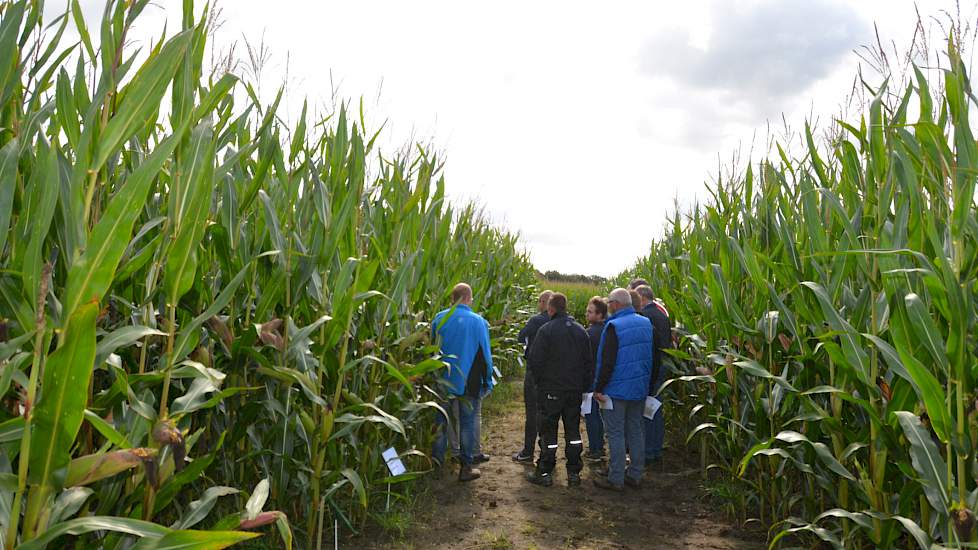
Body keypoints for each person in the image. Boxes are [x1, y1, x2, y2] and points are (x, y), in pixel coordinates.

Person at [525, 293, 593, 487]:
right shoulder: (581, 331)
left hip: (551, 390)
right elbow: (588, 363)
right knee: (573, 432)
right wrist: (583, 386)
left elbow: (535, 361)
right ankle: (573, 473)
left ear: (551, 309)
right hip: (573, 390)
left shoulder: (546, 330)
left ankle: (545, 471)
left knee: (548, 432)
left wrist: (539, 384)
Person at [432, 283, 495, 482]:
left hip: (442, 380)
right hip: (469, 381)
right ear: (468, 298)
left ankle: (437, 465)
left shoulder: (439, 319)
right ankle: (466, 468)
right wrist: (488, 381)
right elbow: (485, 355)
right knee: (467, 424)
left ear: (453, 298)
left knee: (441, 421)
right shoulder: (478, 322)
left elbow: (432, 350)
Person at [592, 288, 653, 491]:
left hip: (616, 389)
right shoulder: (646, 323)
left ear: (616, 304)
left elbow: (607, 362)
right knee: (636, 430)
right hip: (639, 388)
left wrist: (598, 387)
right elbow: (651, 357)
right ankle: (635, 473)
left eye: (609, 303)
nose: (608, 306)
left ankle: (616, 478)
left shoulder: (614, 326)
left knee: (616, 433)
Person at [513, 290, 553, 464]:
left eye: (539, 301)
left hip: (534, 373)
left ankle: (528, 452)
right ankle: (547, 453)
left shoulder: (536, 320)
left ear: (544, 302)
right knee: (549, 414)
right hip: (553, 375)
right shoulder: (559, 321)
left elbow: (521, 337)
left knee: (532, 413)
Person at [635, 284, 673, 466]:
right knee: (656, 409)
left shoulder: (647, 317)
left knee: (648, 411)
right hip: (664, 364)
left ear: (642, 298)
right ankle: (656, 449)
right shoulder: (662, 314)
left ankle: (649, 451)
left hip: (653, 368)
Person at [583, 296, 608, 460]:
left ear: (600, 314)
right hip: (604, 379)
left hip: (591, 380)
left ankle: (595, 449)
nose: (587, 314)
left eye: (590, 312)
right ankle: (599, 447)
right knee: (599, 415)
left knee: (591, 415)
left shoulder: (590, 334)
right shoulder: (608, 329)